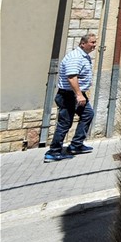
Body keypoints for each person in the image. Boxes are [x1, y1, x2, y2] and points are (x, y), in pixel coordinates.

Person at [44, 33, 97, 162]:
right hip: (69, 95)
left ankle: (76, 145)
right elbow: (72, 77)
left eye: (95, 42)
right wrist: (79, 94)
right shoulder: (76, 57)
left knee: (88, 114)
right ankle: (53, 152)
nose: (94, 45)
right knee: (65, 123)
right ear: (83, 44)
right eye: (92, 42)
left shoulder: (84, 56)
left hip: (76, 94)